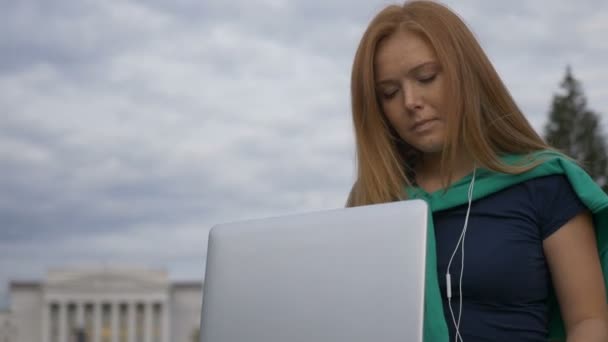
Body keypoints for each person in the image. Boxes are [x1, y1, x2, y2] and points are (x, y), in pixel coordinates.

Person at [345, 1, 608, 341]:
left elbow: (589, 322)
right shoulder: (373, 200)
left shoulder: (546, 183)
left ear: (466, 74)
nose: (410, 101)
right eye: (389, 93)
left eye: (426, 77)